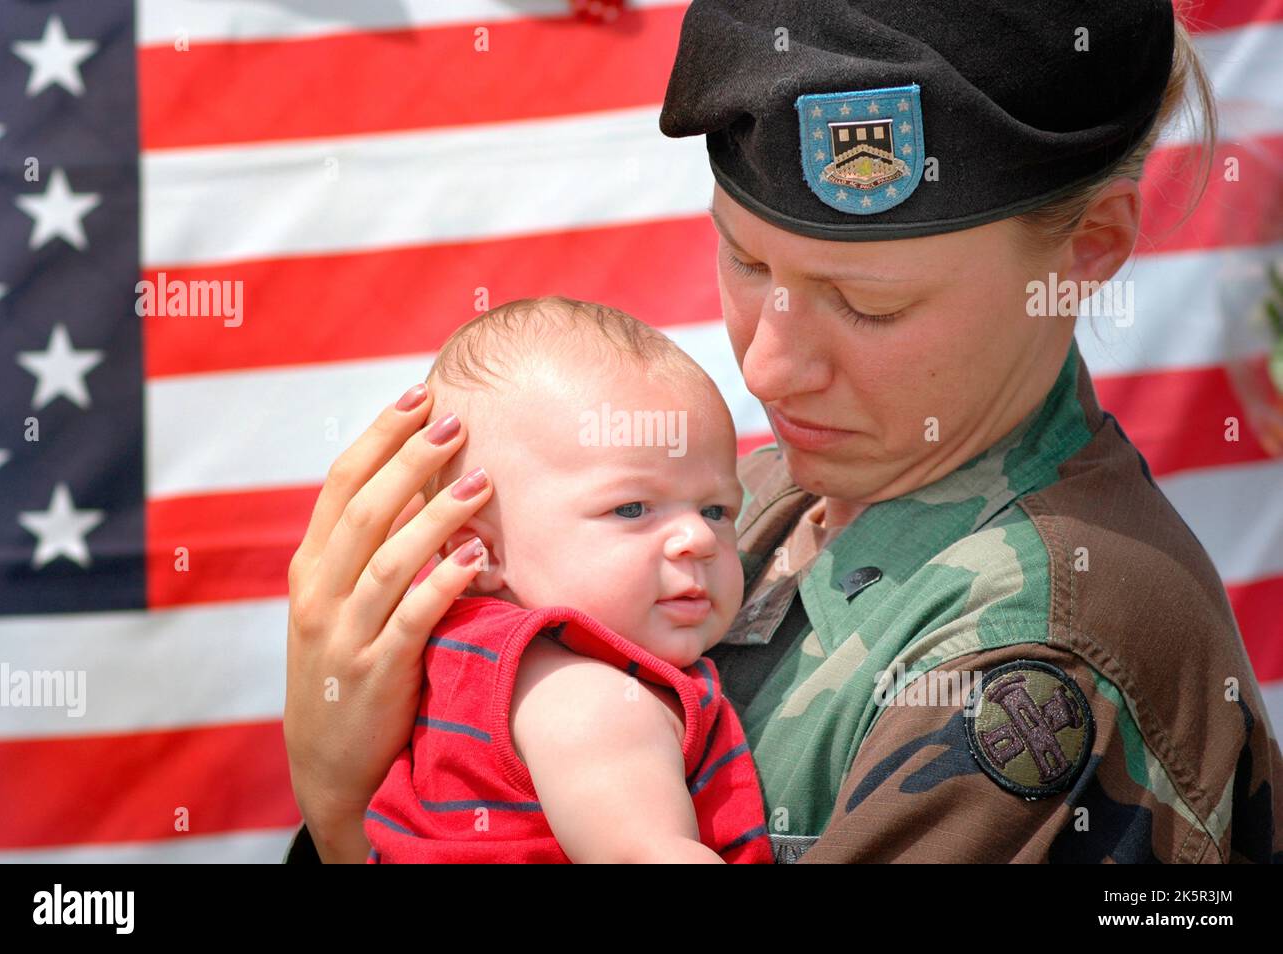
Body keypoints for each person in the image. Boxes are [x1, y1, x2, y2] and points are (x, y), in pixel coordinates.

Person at [283, 0, 1283, 863]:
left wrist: (341, 814)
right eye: (746, 265)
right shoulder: (755, 500)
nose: (767, 367)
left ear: (1091, 248)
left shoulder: (1032, 661)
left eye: (868, 304)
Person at [363, 296, 772, 863]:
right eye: (631, 509)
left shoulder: (464, 660)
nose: (698, 540)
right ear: (479, 552)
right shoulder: (591, 697)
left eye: (717, 510)